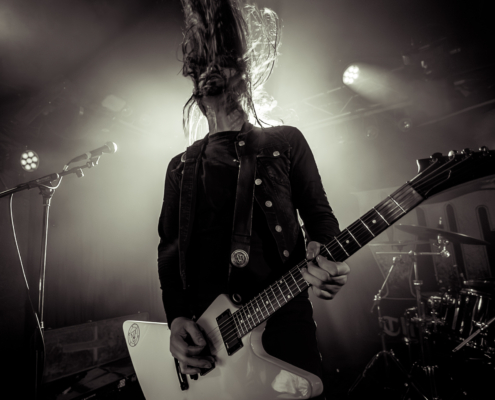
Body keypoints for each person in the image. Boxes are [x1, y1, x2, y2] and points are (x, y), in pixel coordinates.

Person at [157, 1, 350, 398]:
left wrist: (329, 256)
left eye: (223, 60)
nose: (210, 68)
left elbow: (320, 217)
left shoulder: (286, 141)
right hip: (211, 345)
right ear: (192, 81)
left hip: (284, 327)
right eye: (200, 63)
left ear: (244, 73)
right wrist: (176, 320)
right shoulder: (180, 167)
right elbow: (169, 256)